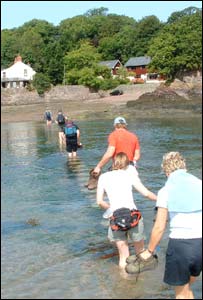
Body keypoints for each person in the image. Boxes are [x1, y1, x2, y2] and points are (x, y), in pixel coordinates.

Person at [127, 152, 202, 299]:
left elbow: (160, 226)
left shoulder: (165, 191)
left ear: (166, 171)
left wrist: (149, 250)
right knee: (186, 289)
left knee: (180, 294)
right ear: (184, 166)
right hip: (200, 244)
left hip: (181, 246)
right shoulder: (200, 184)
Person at [96, 152, 157, 269]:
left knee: (123, 256)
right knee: (140, 252)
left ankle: (124, 282)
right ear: (127, 164)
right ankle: (140, 282)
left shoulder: (103, 177)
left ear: (113, 163)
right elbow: (146, 193)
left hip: (116, 218)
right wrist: (161, 200)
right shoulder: (129, 175)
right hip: (133, 216)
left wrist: (111, 210)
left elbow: (99, 201)